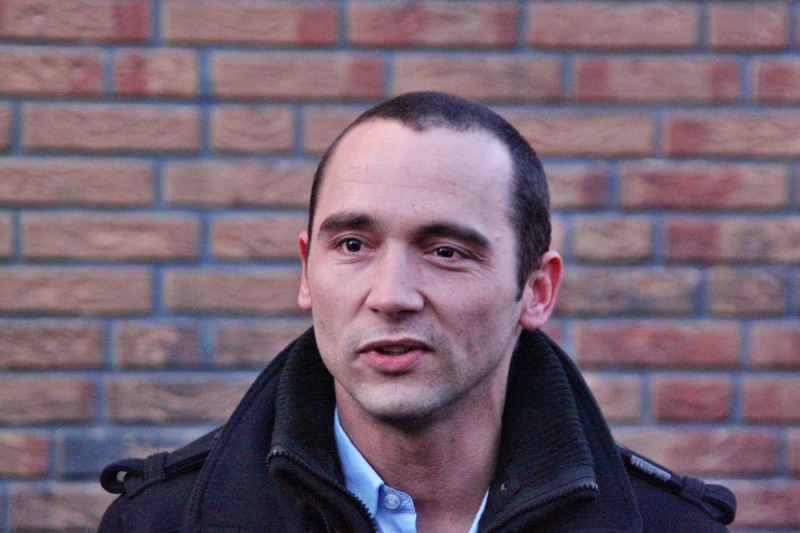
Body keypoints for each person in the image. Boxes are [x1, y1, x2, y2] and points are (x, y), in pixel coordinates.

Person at [99, 92, 735, 532]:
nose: (391, 295)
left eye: (446, 252)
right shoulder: (160, 522)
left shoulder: (673, 527)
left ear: (536, 291)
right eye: (354, 245)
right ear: (306, 271)